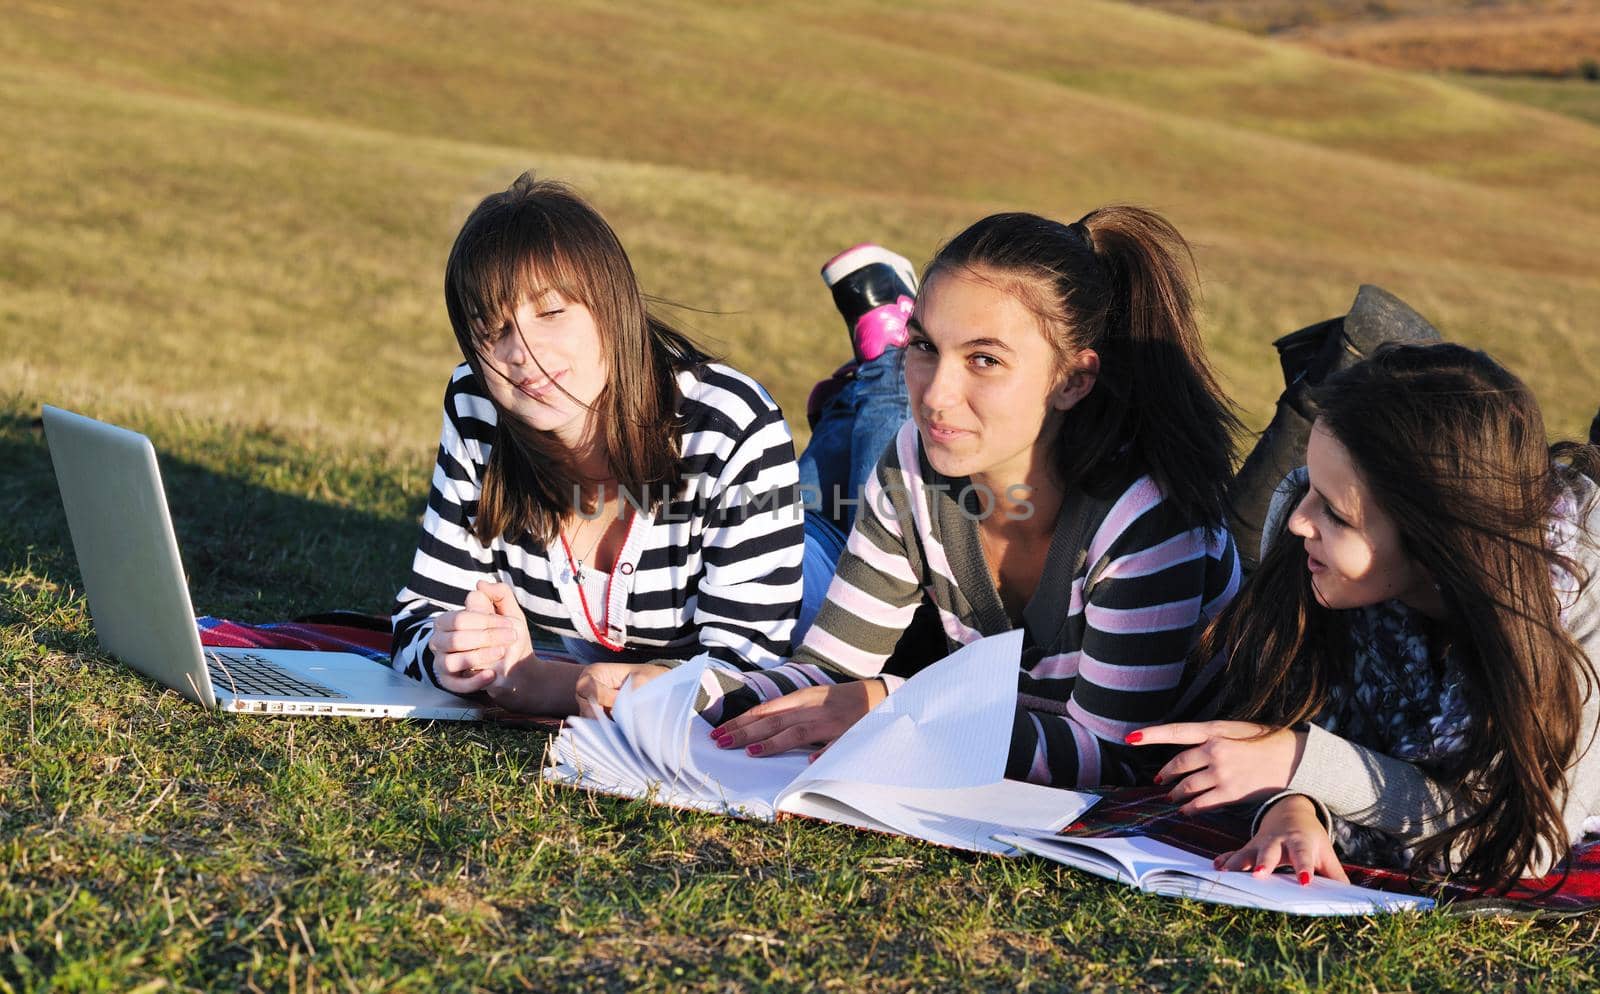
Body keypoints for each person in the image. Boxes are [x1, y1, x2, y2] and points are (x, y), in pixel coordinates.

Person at [685, 207, 1246, 788]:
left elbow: (1112, 754)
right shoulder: (909, 464)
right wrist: (677, 692)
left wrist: (898, 707)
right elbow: (831, 675)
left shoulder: (1149, 516)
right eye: (924, 346)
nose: (935, 394)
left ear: (1074, 380)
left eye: (984, 359)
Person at [1135, 343, 1600, 892]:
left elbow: (1526, 839)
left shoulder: (1571, 599)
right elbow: (1301, 713)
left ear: (1437, 545)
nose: (1298, 521)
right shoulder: (1311, 535)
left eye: (1335, 513)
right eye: (1310, 486)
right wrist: (1296, 808)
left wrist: (1303, 761)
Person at [390, 173, 826, 713]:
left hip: (815, 558)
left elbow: (744, 674)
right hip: (654, 619)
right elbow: (418, 618)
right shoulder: (479, 403)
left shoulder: (731, 421)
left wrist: (542, 683)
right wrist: (456, 655)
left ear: (610, 306)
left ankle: (876, 367)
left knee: (863, 455)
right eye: (492, 328)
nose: (521, 353)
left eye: (550, 312)